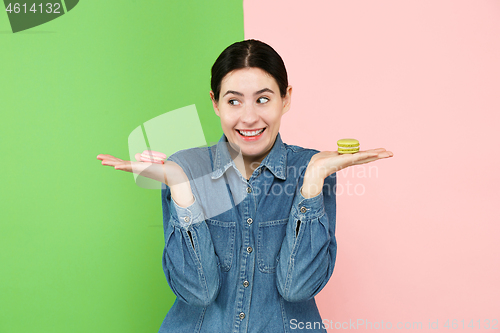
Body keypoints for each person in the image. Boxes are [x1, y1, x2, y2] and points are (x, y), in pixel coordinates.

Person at [97, 39, 393, 333]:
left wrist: (313, 181)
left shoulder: (313, 168)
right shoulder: (184, 170)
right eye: (233, 101)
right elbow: (197, 292)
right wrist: (180, 187)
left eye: (263, 99)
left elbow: (297, 287)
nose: (249, 118)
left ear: (285, 98)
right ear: (215, 102)